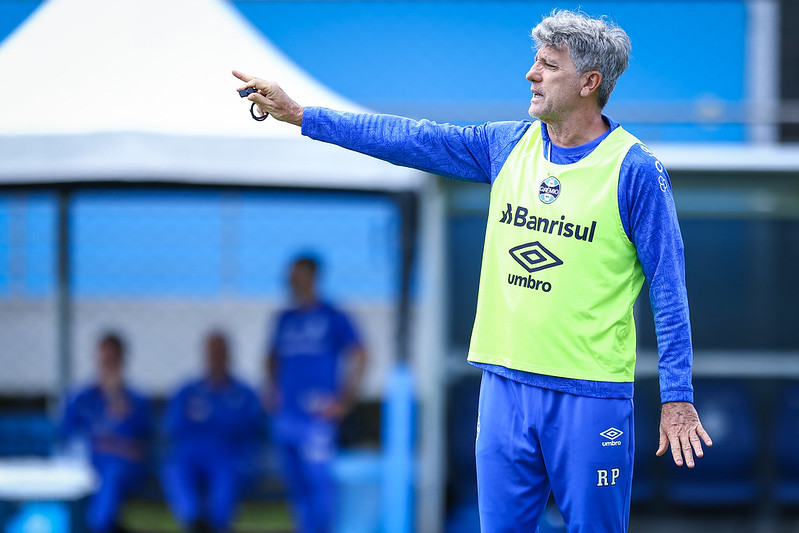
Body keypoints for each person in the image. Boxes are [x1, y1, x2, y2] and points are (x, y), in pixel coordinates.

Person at [233, 8, 713, 532]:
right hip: (504, 385)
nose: (531, 74)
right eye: (536, 62)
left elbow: (669, 292)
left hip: (589, 395)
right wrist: (302, 115)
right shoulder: (507, 145)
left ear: (589, 83)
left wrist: (677, 398)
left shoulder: (634, 170)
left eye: (549, 66)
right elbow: (406, 138)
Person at [264, 256, 367, 533]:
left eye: (295, 274)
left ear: (311, 276)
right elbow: (271, 357)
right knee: (296, 487)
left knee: (319, 484)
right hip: (287, 417)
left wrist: (344, 401)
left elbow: (360, 353)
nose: (289, 281)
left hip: (317, 418)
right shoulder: (284, 319)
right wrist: (272, 391)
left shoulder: (333, 316)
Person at [161, 332, 262, 533]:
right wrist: (220, 422)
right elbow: (173, 426)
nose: (216, 357)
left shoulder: (244, 392)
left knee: (228, 475)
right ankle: (194, 521)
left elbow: (250, 426)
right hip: (191, 454)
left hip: (229, 455)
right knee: (175, 468)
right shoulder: (188, 390)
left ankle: (215, 525)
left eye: (220, 351)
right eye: (212, 352)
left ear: (228, 354)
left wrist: (208, 421)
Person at [61, 333, 152, 533]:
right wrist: (106, 444)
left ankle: (99, 526)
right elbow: (69, 437)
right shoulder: (80, 398)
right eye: (105, 359)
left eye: (114, 360)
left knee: (113, 473)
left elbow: (136, 446)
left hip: (119, 467)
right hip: (86, 461)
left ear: (122, 361)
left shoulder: (135, 401)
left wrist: (116, 402)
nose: (109, 365)